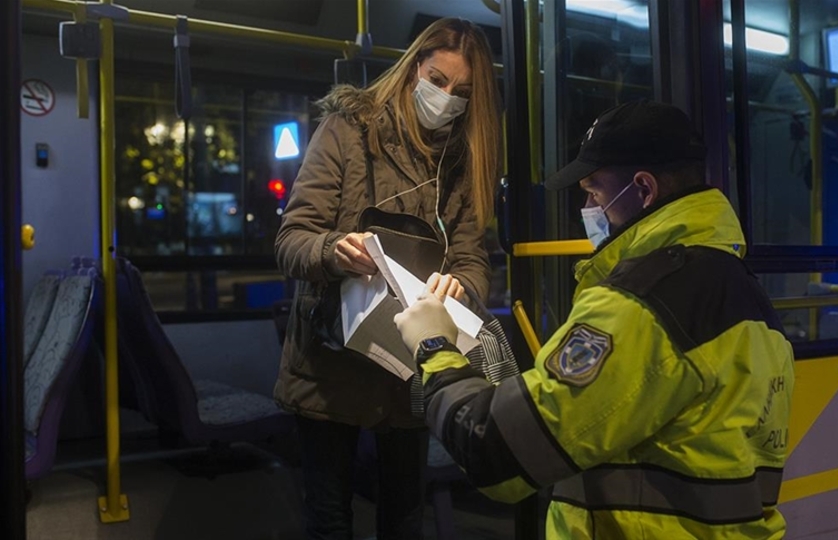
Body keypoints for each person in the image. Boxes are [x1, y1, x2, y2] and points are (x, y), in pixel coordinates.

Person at [394, 100, 796, 538]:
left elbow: (495, 453)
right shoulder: (745, 293)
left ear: (643, 189)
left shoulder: (640, 305)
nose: (587, 206)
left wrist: (433, 346)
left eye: (594, 192)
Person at [273, 17, 501, 540]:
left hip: (414, 367)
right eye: (438, 81)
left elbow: (472, 261)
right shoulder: (347, 130)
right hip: (329, 364)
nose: (446, 98)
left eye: (462, 92)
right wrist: (335, 250)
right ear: (414, 67)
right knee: (330, 516)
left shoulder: (462, 162)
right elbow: (292, 240)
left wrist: (461, 287)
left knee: (403, 518)